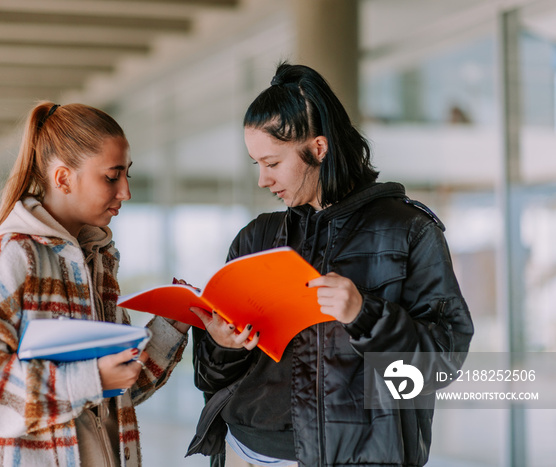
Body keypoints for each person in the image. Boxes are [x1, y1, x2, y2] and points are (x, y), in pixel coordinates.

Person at [186, 63, 474, 467]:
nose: (262, 181)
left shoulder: (409, 231)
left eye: (272, 164)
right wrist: (222, 344)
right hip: (242, 450)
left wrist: (364, 314)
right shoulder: (256, 237)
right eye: (257, 165)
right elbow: (211, 378)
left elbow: (443, 363)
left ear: (318, 149)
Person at [0, 102, 190, 467]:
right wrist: (87, 379)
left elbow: (113, 392)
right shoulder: (7, 259)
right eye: (112, 176)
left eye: (126, 174)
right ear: (64, 178)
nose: (126, 191)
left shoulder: (96, 263)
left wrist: (174, 322)